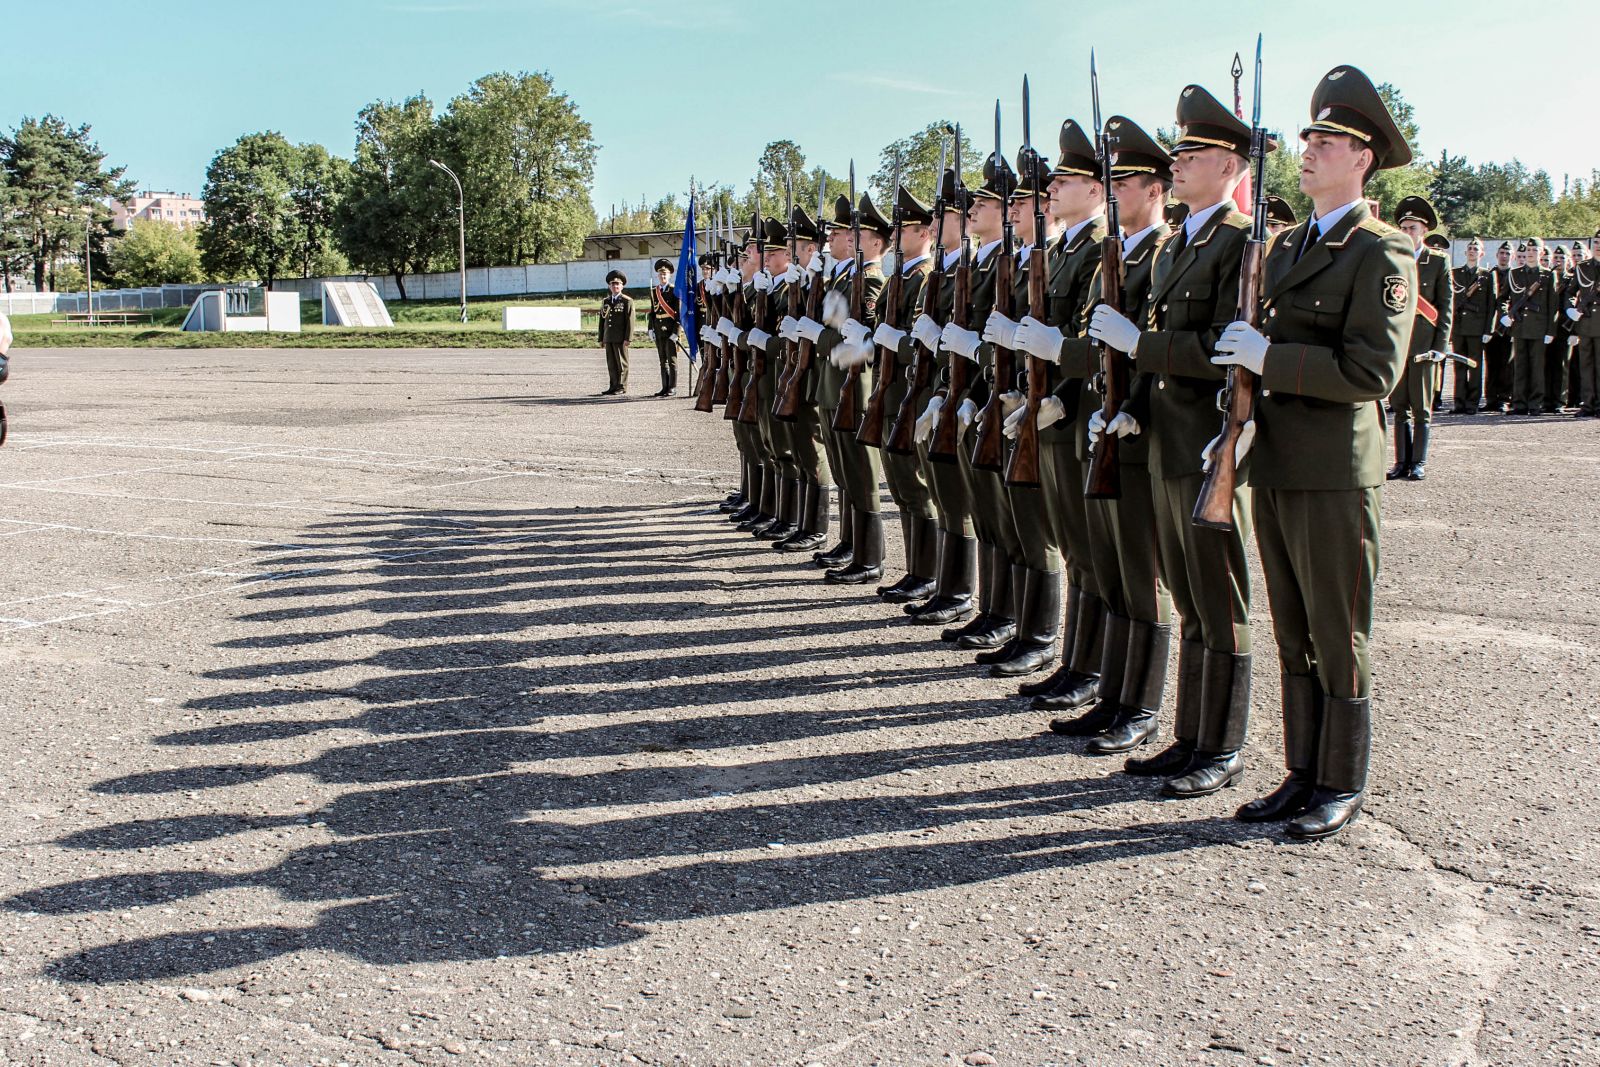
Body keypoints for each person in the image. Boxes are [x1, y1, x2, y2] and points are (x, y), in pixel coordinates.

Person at [1223, 64, 1417, 839]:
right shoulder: (1289, 242)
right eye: (1308, 137)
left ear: (1363, 158)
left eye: (1327, 140)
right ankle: (1301, 770)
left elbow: (1373, 371)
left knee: (1338, 631)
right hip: (1277, 461)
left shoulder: (1382, 251)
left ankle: (1341, 779)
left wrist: (1270, 360)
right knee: (1293, 626)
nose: (1308, 150)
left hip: (1336, 471)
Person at [1074, 83, 1262, 794]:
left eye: (1193, 152)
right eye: (1177, 152)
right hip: (1161, 439)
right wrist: (1123, 406)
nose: (1177, 161)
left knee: (1219, 599)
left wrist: (1142, 345)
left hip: (1203, 443)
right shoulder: (1183, 241)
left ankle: (1221, 745)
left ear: (1231, 166)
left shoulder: (1239, 244)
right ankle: (1189, 735)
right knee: (1188, 595)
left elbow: (1223, 344)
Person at [1387, 196, 1451, 481]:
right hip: (1398, 345)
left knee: (1421, 408)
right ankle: (1401, 462)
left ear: (1424, 231)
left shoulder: (1437, 261)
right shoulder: (1392, 259)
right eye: (1403, 227)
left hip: (1424, 345)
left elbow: (1446, 307)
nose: (1407, 233)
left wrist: (1440, 347)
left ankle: (1419, 461)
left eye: (1412, 228)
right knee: (1399, 406)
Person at [1503, 237, 1559, 415]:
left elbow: (1553, 306)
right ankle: (1519, 403)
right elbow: (1503, 297)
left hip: (1539, 328)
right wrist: (1505, 313)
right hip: (1519, 326)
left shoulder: (1548, 275)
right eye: (1528, 250)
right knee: (1520, 367)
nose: (1530, 253)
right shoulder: (1515, 273)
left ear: (1541, 253)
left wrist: (1551, 330)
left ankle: (1535, 403)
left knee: (1536, 368)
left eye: (1535, 251)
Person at [1449, 237, 1497, 414]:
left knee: (1474, 366)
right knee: (1458, 366)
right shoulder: (1455, 272)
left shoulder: (1486, 275)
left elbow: (1492, 304)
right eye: (1470, 248)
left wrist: (1488, 329)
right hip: (1459, 327)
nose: (1472, 251)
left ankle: (1472, 404)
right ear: (1465, 252)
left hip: (1477, 328)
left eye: (1476, 249)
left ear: (1482, 253)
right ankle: (1459, 403)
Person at [1568, 230, 1600, 417]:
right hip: (1586, 323)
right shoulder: (1582, 267)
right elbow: (1571, 292)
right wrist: (1571, 308)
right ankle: (1588, 404)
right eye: (1596, 242)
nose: (1598, 245)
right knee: (1586, 365)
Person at [646, 258, 681, 397]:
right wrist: (650, 328)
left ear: (669, 275)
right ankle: (664, 387)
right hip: (659, 329)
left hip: (671, 329)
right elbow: (652, 312)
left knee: (672, 360)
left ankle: (673, 387)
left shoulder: (674, 291)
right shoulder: (654, 292)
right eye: (660, 274)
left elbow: (678, 313)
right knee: (662, 360)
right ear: (657, 276)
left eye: (665, 274)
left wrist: (676, 332)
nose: (663, 276)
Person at [597, 270, 634, 396]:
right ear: (609, 286)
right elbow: (602, 321)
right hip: (609, 337)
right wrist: (601, 338)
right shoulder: (606, 301)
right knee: (611, 363)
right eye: (613, 284)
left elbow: (630, 321)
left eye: (618, 284)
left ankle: (621, 386)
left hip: (620, 337)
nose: (615, 286)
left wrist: (628, 338)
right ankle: (613, 386)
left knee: (622, 363)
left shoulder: (626, 301)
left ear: (622, 286)